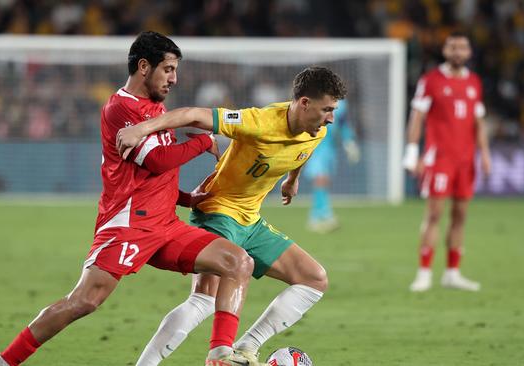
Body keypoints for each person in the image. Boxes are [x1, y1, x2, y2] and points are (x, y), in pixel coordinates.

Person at [0, 31, 255, 366]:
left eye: (175, 70)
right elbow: (156, 161)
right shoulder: (120, 108)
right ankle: (2, 363)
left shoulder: (155, 109)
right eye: (167, 69)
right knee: (84, 301)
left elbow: (152, 174)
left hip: (165, 225)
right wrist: (202, 142)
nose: (174, 78)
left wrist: (186, 199)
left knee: (237, 262)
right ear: (143, 66)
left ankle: (220, 355)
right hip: (128, 224)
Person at [116, 66, 347, 366]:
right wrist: (141, 129)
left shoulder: (315, 130)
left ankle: (247, 347)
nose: (331, 117)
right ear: (304, 103)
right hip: (217, 212)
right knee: (203, 299)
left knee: (314, 279)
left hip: (250, 220)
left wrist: (292, 179)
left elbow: (302, 151)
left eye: (333, 110)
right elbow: (193, 114)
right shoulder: (259, 122)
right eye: (327, 109)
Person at [402, 31, 491, 292]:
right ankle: (424, 272)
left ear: (469, 52)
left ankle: (452, 273)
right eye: (453, 47)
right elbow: (417, 117)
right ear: (445, 51)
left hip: (466, 161)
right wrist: (411, 153)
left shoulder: (475, 82)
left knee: (460, 216)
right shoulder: (430, 80)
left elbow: (479, 121)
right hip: (439, 159)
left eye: (462, 47)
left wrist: (484, 154)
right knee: (434, 215)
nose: (457, 52)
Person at [303, 98, 360, 233]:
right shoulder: (314, 100)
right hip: (315, 143)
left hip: (330, 146)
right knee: (320, 178)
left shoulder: (342, 105)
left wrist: (349, 142)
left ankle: (316, 216)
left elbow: (343, 123)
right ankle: (325, 215)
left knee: (324, 180)